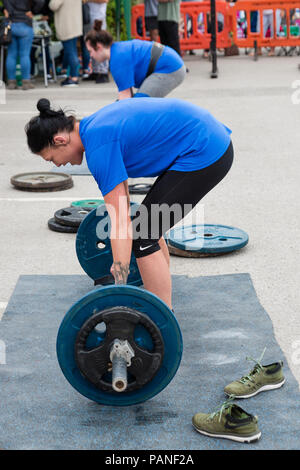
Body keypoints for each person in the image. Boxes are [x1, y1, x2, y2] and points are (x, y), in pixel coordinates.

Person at [25, 97, 233, 308]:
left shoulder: (99, 146)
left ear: (60, 140)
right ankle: (160, 294)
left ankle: (162, 317)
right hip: (205, 140)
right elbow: (122, 208)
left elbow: (119, 222)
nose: (59, 165)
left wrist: (120, 279)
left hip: (204, 151)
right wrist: (120, 267)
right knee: (148, 226)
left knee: (143, 234)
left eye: (51, 159)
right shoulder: (94, 129)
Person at [85, 22, 186, 99]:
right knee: (137, 104)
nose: (91, 55)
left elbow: (125, 98)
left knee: (140, 105)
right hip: (170, 62)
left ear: (98, 47)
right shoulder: (117, 50)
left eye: (90, 51)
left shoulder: (117, 59)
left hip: (170, 68)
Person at [3, 0, 45, 90]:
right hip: (25, 23)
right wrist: (33, 11)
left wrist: (4, 9)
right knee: (24, 55)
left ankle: (11, 82)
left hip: (10, 24)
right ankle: (26, 82)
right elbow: (40, 1)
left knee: (11, 55)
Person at [49, 0, 82, 86]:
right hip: (75, 26)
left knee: (71, 52)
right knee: (73, 51)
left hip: (67, 26)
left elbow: (53, 5)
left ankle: (74, 77)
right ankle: (72, 75)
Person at [83, 0, 109, 83]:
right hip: (89, 16)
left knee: (100, 42)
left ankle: (103, 72)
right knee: (92, 44)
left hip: (98, 17)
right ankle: (95, 71)